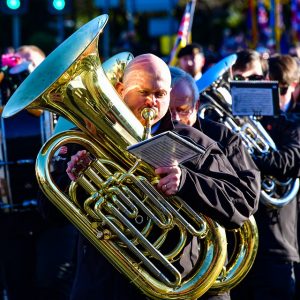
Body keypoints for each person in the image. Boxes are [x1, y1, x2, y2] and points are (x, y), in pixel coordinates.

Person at [64, 53, 260, 300]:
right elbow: (48, 213)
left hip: (175, 282)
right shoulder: (90, 138)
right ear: (121, 89)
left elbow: (242, 202)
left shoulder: (194, 141)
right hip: (105, 284)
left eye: (160, 94)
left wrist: (188, 181)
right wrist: (73, 179)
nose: (152, 102)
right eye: (143, 92)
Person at [168, 66, 261, 300]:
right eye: (168, 112)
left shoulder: (223, 137)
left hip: (210, 269)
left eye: (182, 110)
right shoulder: (149, 134)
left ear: (197, 106)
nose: (176, 119)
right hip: (162, 269)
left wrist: (187, 183)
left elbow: (247, 198)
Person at [230, 52, 300, 300]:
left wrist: (246, 159)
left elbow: (290, 160)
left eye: (279, 89)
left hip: (276, 242)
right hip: (241, 246)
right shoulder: (233, 125)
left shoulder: (292, 124)